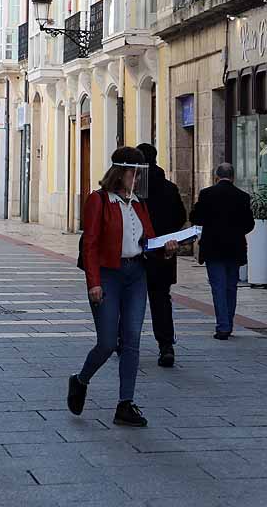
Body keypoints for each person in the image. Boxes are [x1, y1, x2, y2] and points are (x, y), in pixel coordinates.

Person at [67, 147, 177, 428]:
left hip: (136, 274)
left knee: (132, 340)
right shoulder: (99, 200)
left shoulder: (138, 203)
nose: (137, 179)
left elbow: (148, 241)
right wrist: (93, 283)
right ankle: (81, 380)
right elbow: (90, 245)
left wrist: (166, 248)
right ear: (121, 172)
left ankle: (125, 404)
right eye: (134, 173)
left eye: (139, 175)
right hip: (108, 275)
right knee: (106, 342)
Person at [189, 163, 254, 340]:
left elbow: (196, 218)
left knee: (218, 287)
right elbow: (249, 224)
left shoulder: (206, 194)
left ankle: (223, 326)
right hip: (234, 248)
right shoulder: (243, 196)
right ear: (233, 177)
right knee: (231, 287)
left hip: (213, 248)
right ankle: (228, 323)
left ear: (216, 176)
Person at [137, 143, 187, 368]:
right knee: (161, 301)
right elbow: (180, 217)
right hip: (163, 253)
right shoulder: (170, 188)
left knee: (130, 300)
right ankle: (166, 346)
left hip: (136, 253)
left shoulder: (135, 189)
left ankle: (123, 341)